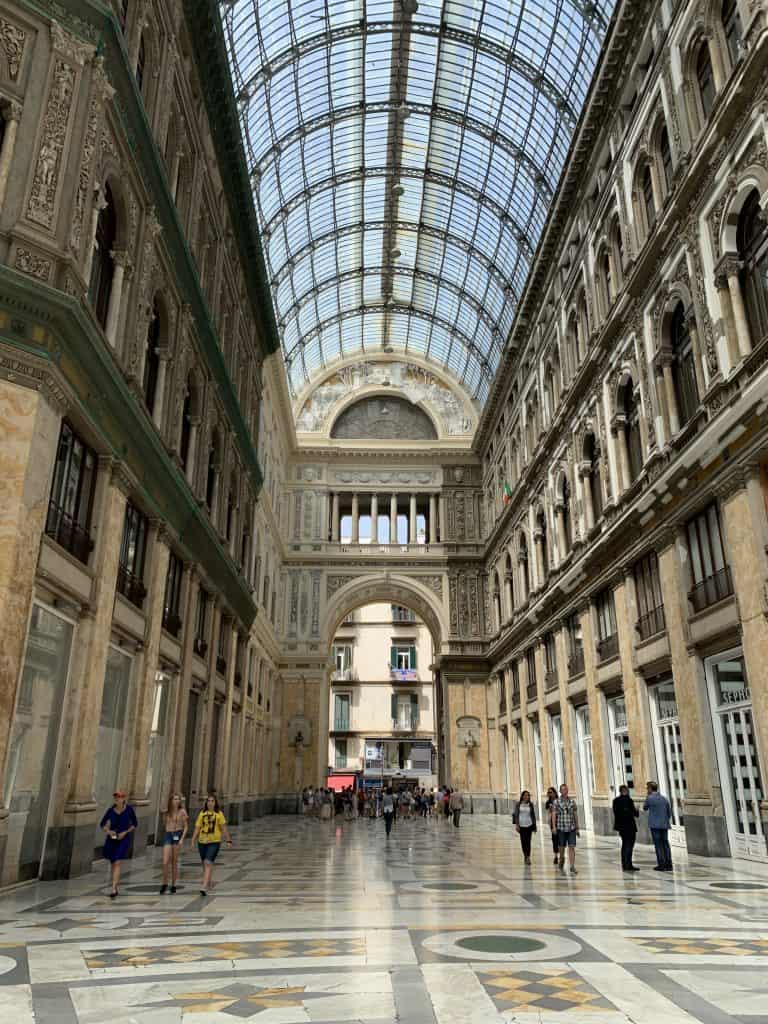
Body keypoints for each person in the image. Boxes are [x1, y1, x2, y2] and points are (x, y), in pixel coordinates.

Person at [191, 794, 233, 896]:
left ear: (215, 803)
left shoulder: (219, 814)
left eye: (212, 801)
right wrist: (193, 840)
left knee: (208, 862)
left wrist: (228, 840)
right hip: (202, 842)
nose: (210, 803)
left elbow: (223, 828)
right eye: (208, 801)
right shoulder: (202, 814)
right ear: (206, 803)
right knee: (204, 863)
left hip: (214, 842)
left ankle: (204, 886)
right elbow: (197, 827)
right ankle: (208, 882)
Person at [100, 790, 138, 898]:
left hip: (123, 839)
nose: (118, 799)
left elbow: (135, 824)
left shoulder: (129, 810)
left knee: (117, 862)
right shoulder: (110, 811)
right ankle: (114, 885)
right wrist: (108, 831)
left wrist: (125, 832)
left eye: (120, 797)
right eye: (116, 797)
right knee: (113, 863)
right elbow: (102, 824)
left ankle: (113, 889)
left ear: (124, 799)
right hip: (112, 839)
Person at [159, 792, 189, 894]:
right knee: (165, 861)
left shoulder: (182, 811)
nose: (176, 801)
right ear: (171, 801)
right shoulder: (167, 812)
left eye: (178, 799)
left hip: (177, 834)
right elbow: (164, 824)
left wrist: (181, 839)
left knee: (174, 861)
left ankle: (174, 884)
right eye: (174, 799)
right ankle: (164, 883)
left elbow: (186, 827)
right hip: (168, 835)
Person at [550, 783, 580, 874]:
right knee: (562, 847)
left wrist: (577, 827)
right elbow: (554, 814)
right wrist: (554, 827)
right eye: (563, 789)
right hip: (561, 828)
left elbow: (575, 814)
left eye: (566, 789)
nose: (564, 791)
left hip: (571, 828)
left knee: (572, 846)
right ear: (560, 791)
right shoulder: (556, 802)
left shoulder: (572, 802)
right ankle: (561, 860)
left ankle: (572, 866)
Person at [644, 781, 673, 871]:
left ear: (650, 789)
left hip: (655, 825)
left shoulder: (649, 798)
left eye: (647, 788)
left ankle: (661, 864)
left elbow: (645, 808)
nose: (646, 790)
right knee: (665, 844)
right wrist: (664, 820)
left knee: (658, 844)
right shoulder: (664, 798)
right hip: (664, 824)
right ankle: (669, 864)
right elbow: (669, 813)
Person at [612, 784, 639, 872]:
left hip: (621, 827)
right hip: (630, 826)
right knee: (629, 845)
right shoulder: (629, 800)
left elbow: (615, 813)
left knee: (624, 845)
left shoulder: (615, 801)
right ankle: (629, 864)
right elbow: (635, 814)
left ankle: (624, 864)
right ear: (626, 791)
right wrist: (636, 810)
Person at [513, 790, 537, 864]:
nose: (527, 796)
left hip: (529, 824)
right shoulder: (518, 804)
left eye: (528, 795)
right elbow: (516, 815)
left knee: (528, 842)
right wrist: (517, 825)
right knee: (523, 842)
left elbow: (533, 815)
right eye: (525, 795)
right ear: (522, 796)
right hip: (521, 825)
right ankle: (525, 855)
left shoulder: (530, 804)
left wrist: (534, 826)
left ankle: (528, 857)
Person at [544, 787, 560, 864]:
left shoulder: (559, 800)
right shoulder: (548, 803)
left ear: (554, 792)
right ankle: (556, 856)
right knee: (554, 839)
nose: (550, 794)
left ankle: (561, 854)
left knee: (561, 839)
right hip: (553, 823)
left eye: (551, 792)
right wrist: (549, 822)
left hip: (561, 822)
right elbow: (548, 813)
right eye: (549, 793)